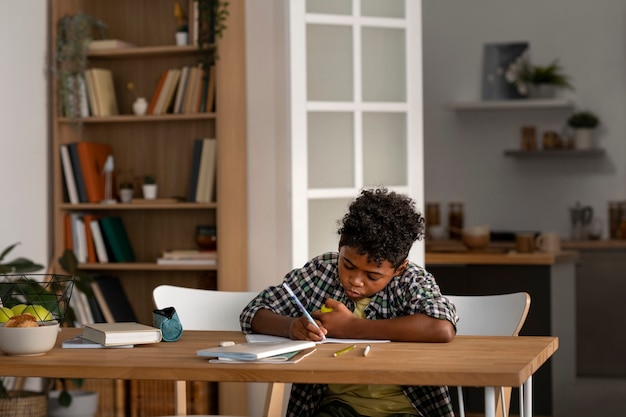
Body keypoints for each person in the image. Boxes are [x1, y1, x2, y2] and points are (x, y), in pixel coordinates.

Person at [240, 187, 458, 417]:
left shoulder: (411, 281)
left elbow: (442, 328)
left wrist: (351, 327)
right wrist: (291, 327)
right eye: (348, 265)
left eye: (372, 276)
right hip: (335, 408)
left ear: (398, 269)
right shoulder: (321, 271)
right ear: (340, 244)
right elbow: (253, 313)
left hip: (406, 410)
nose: (354, 281)